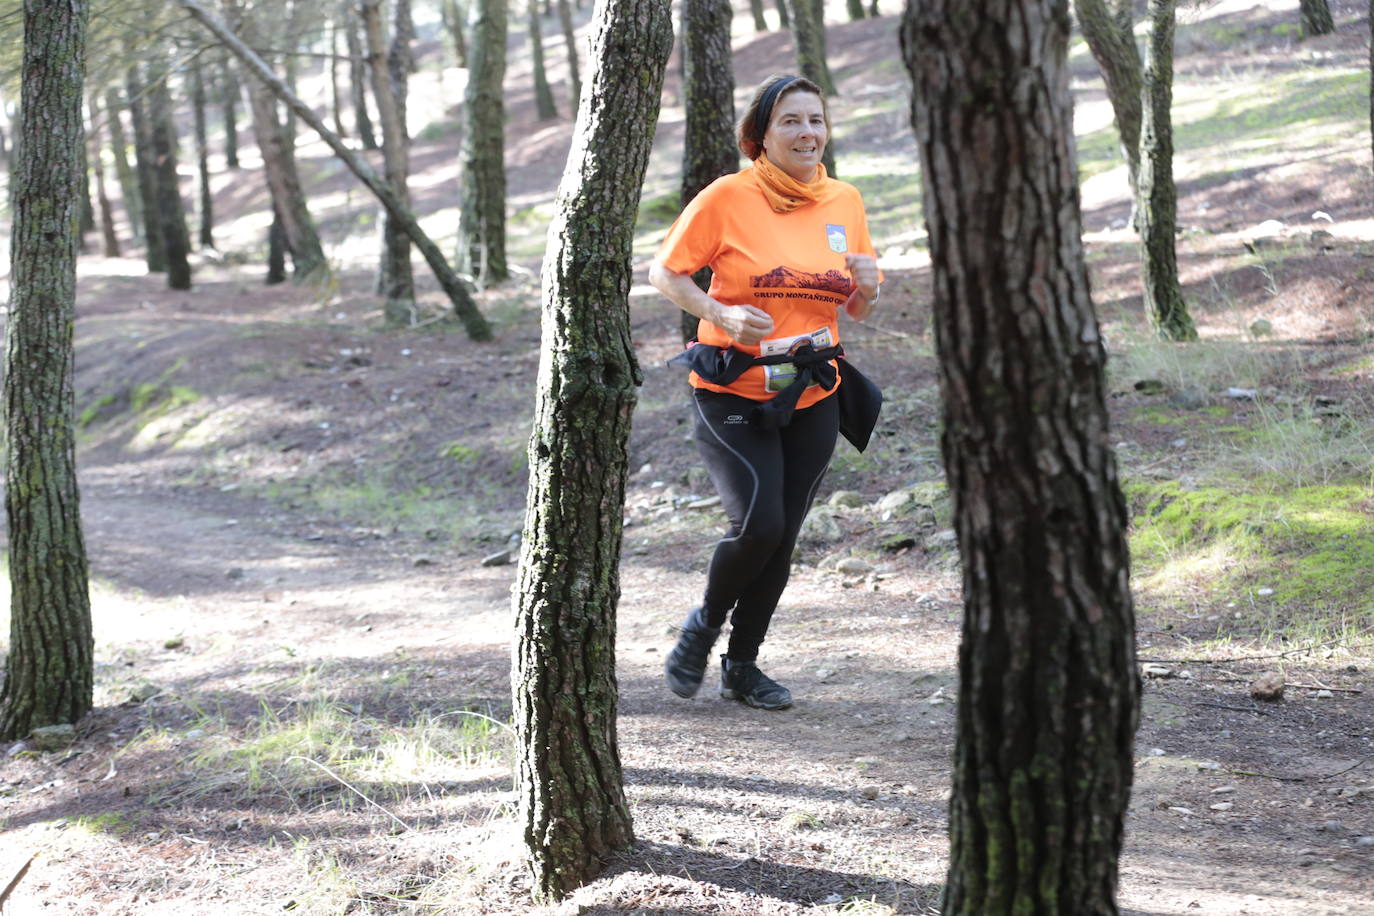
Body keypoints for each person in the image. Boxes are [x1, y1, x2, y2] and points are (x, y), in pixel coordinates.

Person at [648, 74, 882, 711]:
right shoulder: (729, 195)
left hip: (812, 388)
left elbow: (856, 308)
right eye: (791, 121)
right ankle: (703, 626)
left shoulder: (844, 201)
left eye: (816, 120)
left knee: (784, 534)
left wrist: (870, 285)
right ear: (761, 135)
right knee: (759, 524)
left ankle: (742, 667)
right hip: (732, 387)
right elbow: (663, 272)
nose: (807, 133)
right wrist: (719, 313)